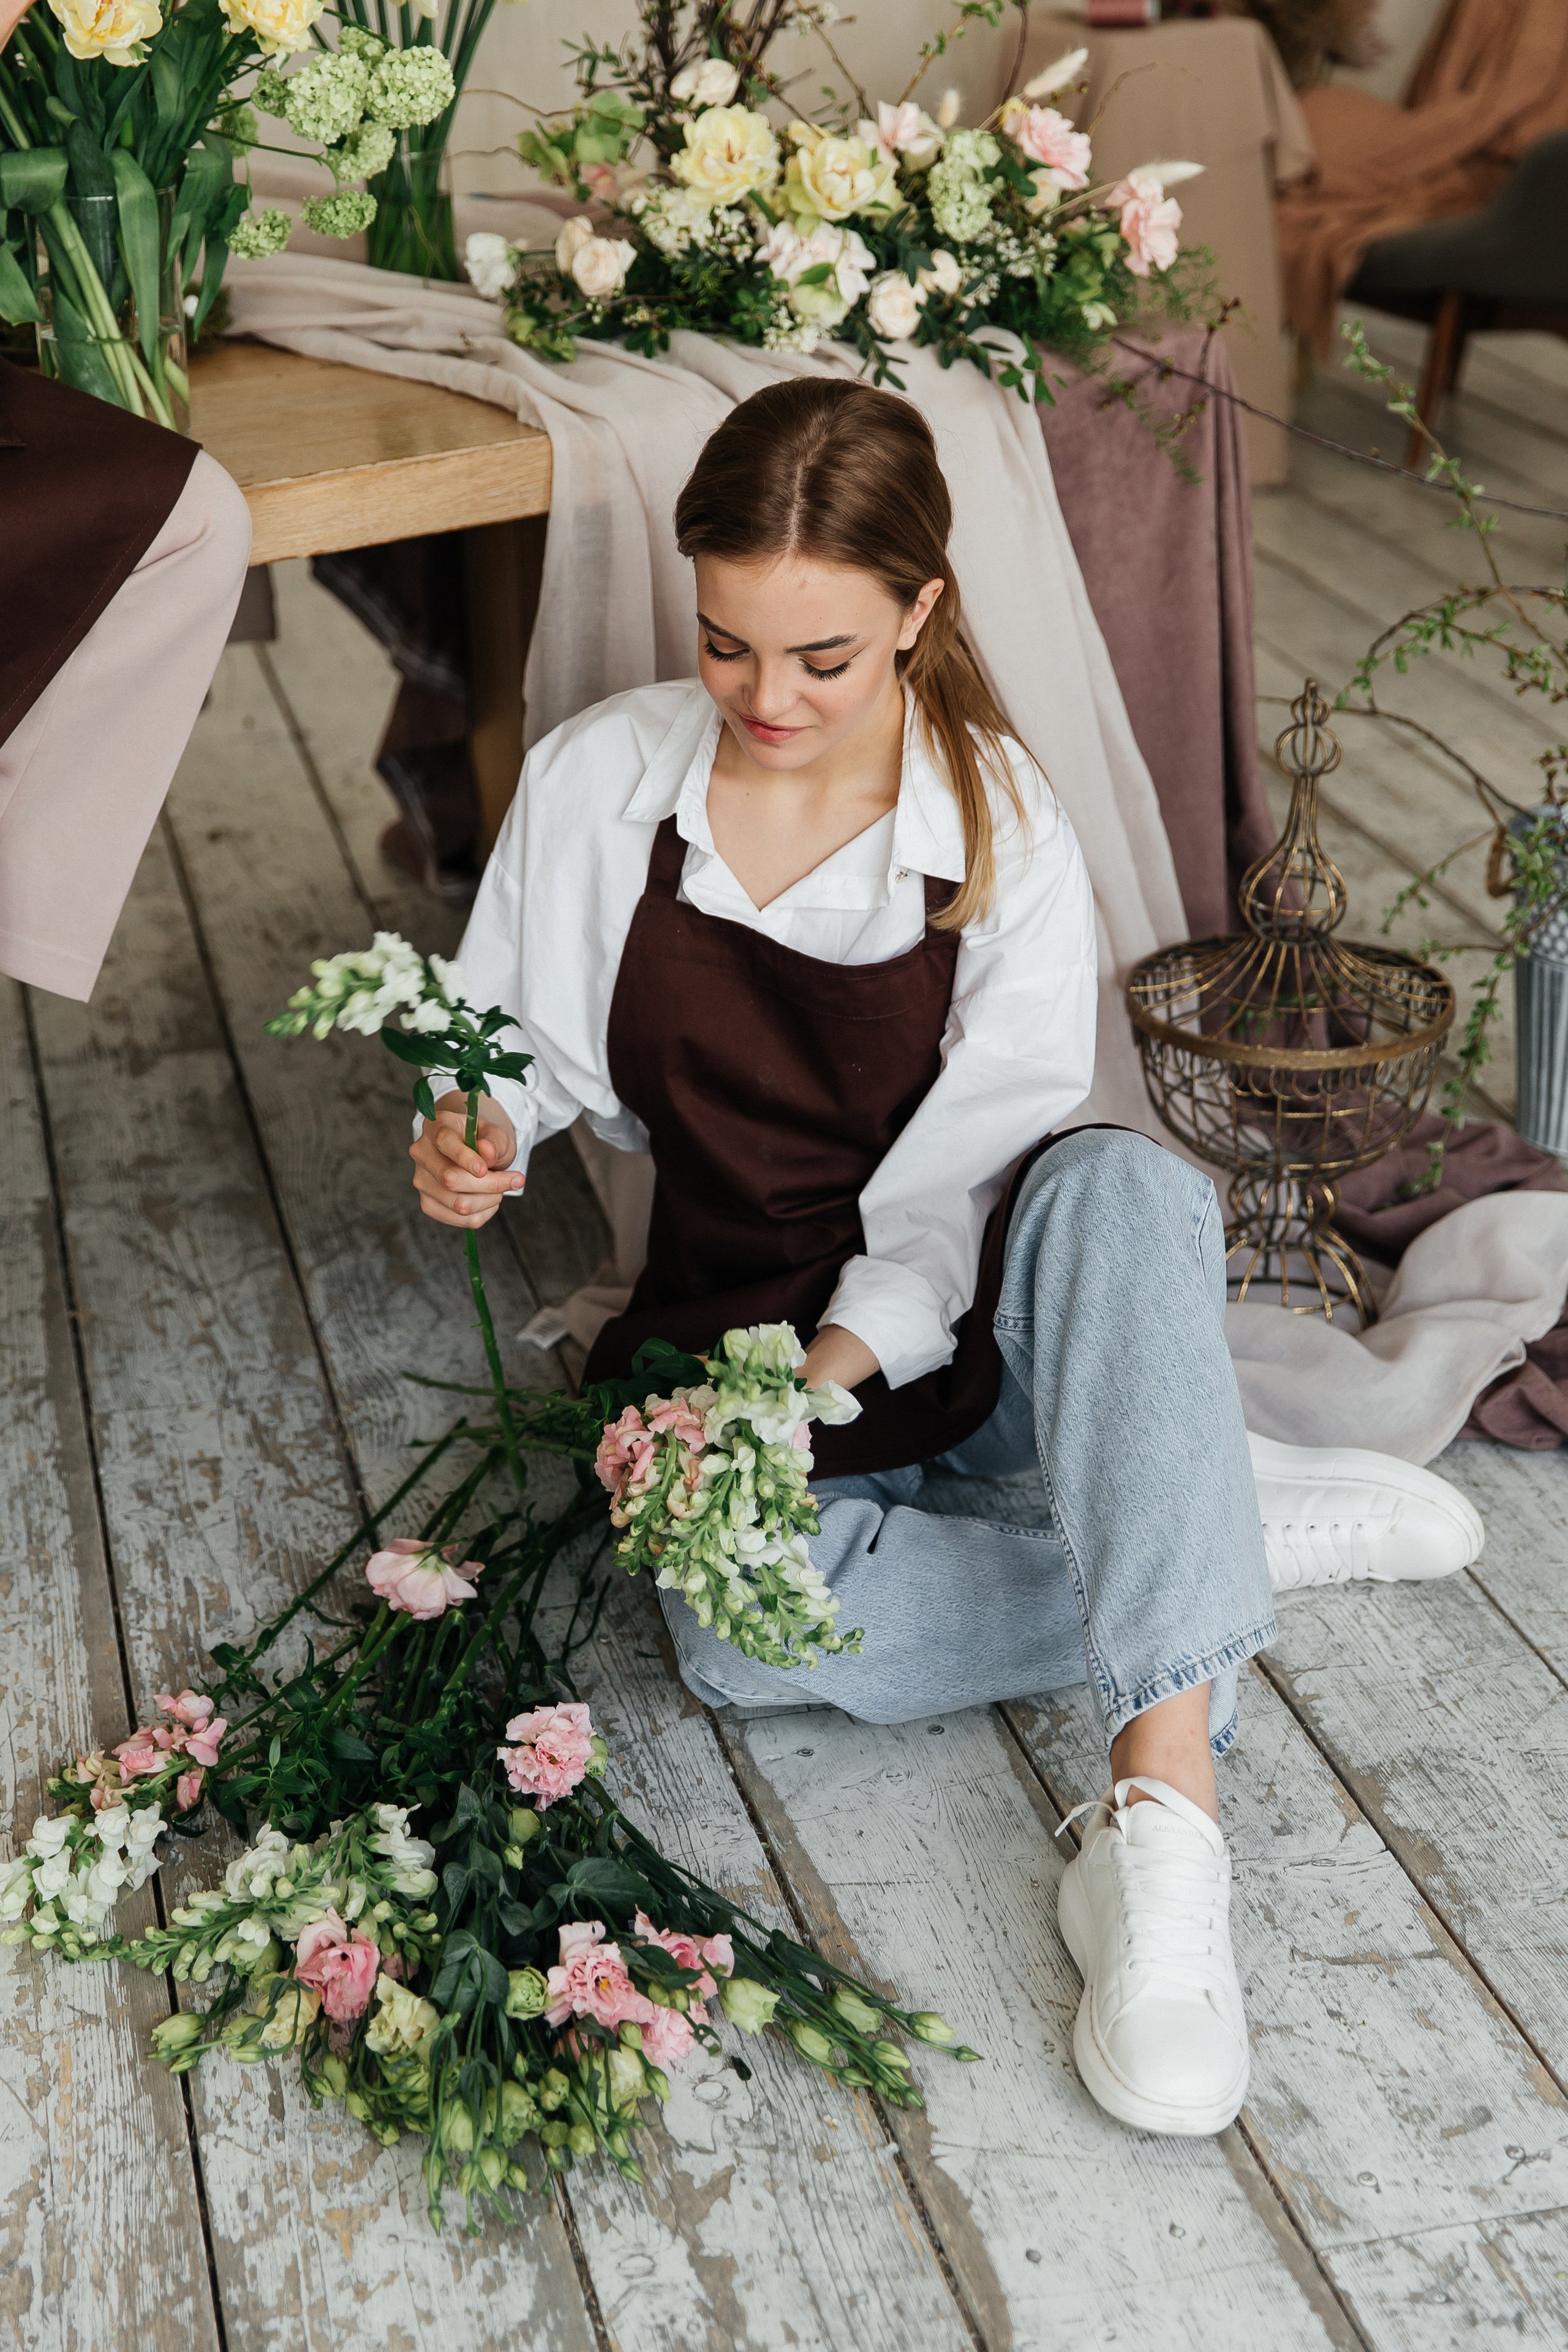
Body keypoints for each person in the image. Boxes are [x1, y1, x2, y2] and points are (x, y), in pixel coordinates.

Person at [406, 379, 1483, 2141]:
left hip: (971, 1320)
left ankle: (1163, 1843)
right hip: (724, 1313)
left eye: (823, 656)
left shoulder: (999, 823)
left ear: (921, 610)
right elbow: (512, 1054)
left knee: (1130, 1189)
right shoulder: (605, 784)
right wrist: (481, 1135)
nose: (766, 700)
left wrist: (821, 1379)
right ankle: (1203, 1529)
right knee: (741, 1645)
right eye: (728, 645)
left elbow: (952, 1197)